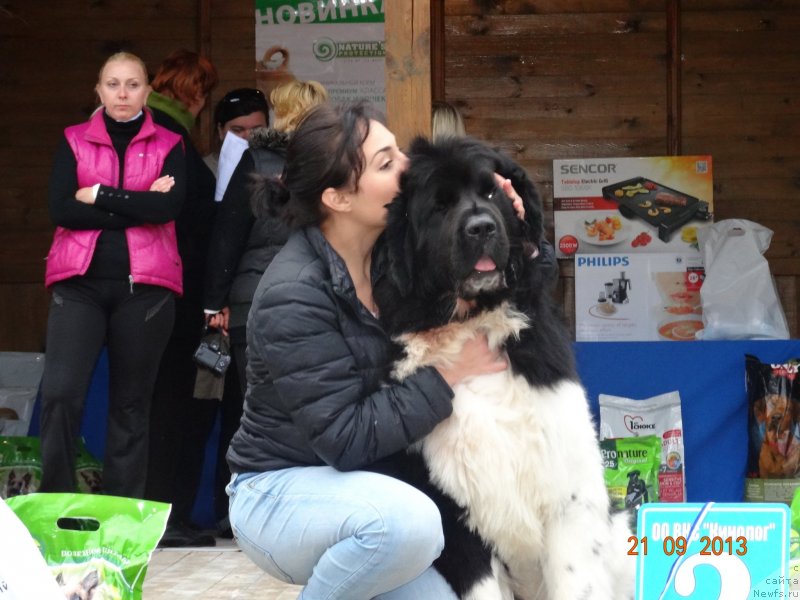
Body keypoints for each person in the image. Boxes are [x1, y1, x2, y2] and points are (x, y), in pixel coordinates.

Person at [225, 100, 520, 599]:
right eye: (386, 163)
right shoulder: (293, 294)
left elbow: (504, 277)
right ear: (339, 198)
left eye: (397, 151)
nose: (406, 166)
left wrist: (516, 218)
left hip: (370, 490)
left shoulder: (391, 255)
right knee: (413, 524)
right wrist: (448, 375)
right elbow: (344, 437)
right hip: (278, 493)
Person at [39, 52, 185, 499]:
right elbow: (60, 208)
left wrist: (99, 194)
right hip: (78, 285)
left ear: (147, 91)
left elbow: (168, 209)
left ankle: (121, 517)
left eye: (133, 84)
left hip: (145, 291)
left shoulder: (170, 143)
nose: (123, 94)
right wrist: (136, 204)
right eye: (113, 84)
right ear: (98, 90)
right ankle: (54, 501)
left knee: (130, 405)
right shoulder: (73, 139)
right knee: (62, 394)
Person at [202, 79, 328, 537]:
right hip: (315, 303)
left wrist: (213, 303)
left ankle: (242, 516)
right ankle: (304, 517)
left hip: (252, 300)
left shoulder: (254, 160)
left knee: (250, 411)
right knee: (310, 407)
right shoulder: (331, 167)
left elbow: (228, 234)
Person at [144, 49, 220, 546]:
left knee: (153, 402)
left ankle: (160, 515)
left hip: (155, 290)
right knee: (167, 403)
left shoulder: (150, 132)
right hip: (176, 291)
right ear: (196, 94)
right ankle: (162, 519)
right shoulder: (172, 140)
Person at [203, 87, 269, 175]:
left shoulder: (282, 167)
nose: (248, 137)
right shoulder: (203, 171)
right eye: (237, 130)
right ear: (220, 131)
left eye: (257, 130)